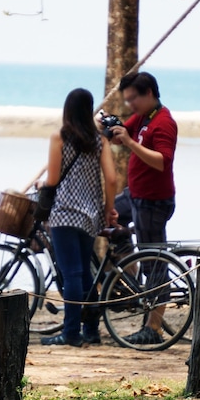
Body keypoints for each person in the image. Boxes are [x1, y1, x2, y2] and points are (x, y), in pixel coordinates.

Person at [40, 88, 119, 347]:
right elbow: (111, 179)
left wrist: (42, 185)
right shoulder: (99, 141)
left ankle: (71, 333)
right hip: (89, 215)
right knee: (85, 273)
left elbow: (53, 180)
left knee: (72, 274)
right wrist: (108, 209)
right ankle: (91, 330)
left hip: (64, 214)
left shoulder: (59, 137)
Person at [106, 71, 178, 346]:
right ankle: (130, 276)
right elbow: (121, 134)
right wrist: (111, 129)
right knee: (107, 219)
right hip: (134, 196)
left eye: (133, 98)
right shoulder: (143, 117)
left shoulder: (163, 122)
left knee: (155, 263)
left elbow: (161, 161)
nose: (129, 105)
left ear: (149, 93)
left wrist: (130, 142)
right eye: (126, 100)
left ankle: (153, 327)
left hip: (153, 202)